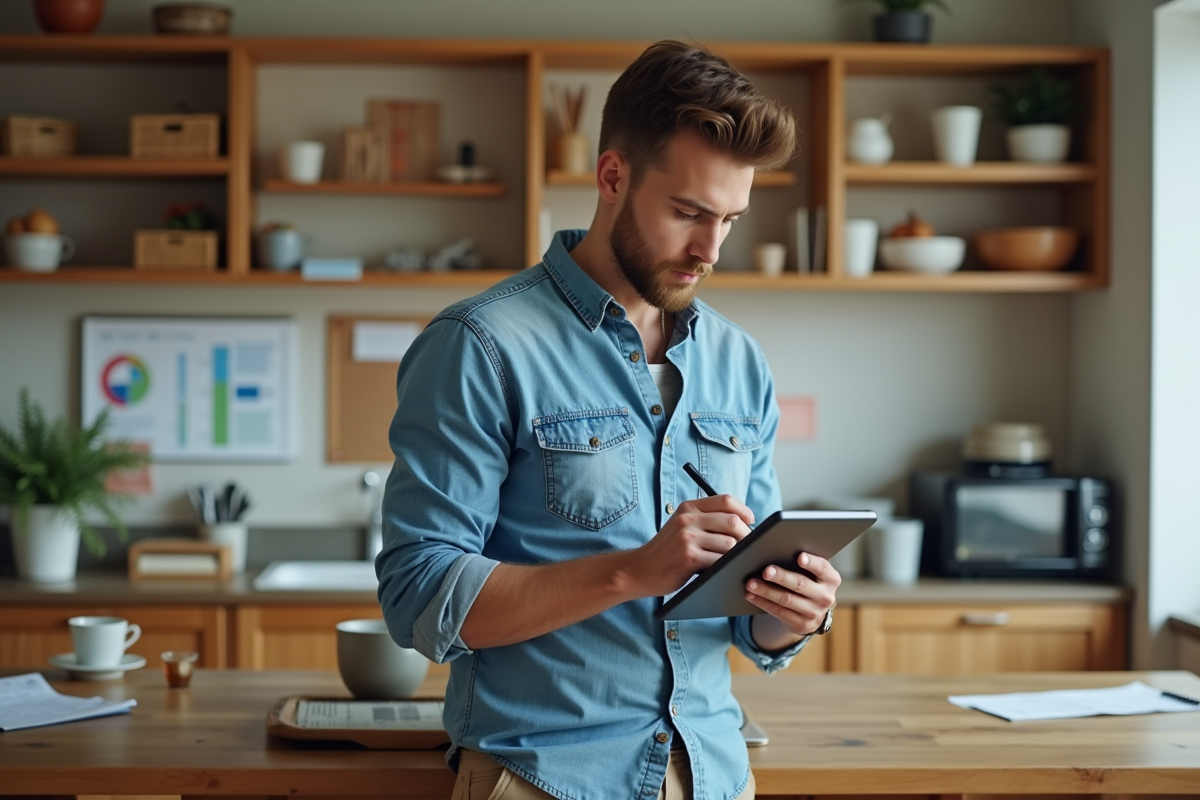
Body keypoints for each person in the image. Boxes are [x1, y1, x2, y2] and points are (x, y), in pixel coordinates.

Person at [377, 39, 842, 800]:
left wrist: (789, 612)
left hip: (713, 778)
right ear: (612, 177)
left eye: (730, 219)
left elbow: (742, 622)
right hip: (543, 779)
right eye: (689, 212)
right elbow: (418, 594)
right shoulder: (481, 345)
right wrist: (632, 572)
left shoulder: (739, 361)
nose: (709, 248)